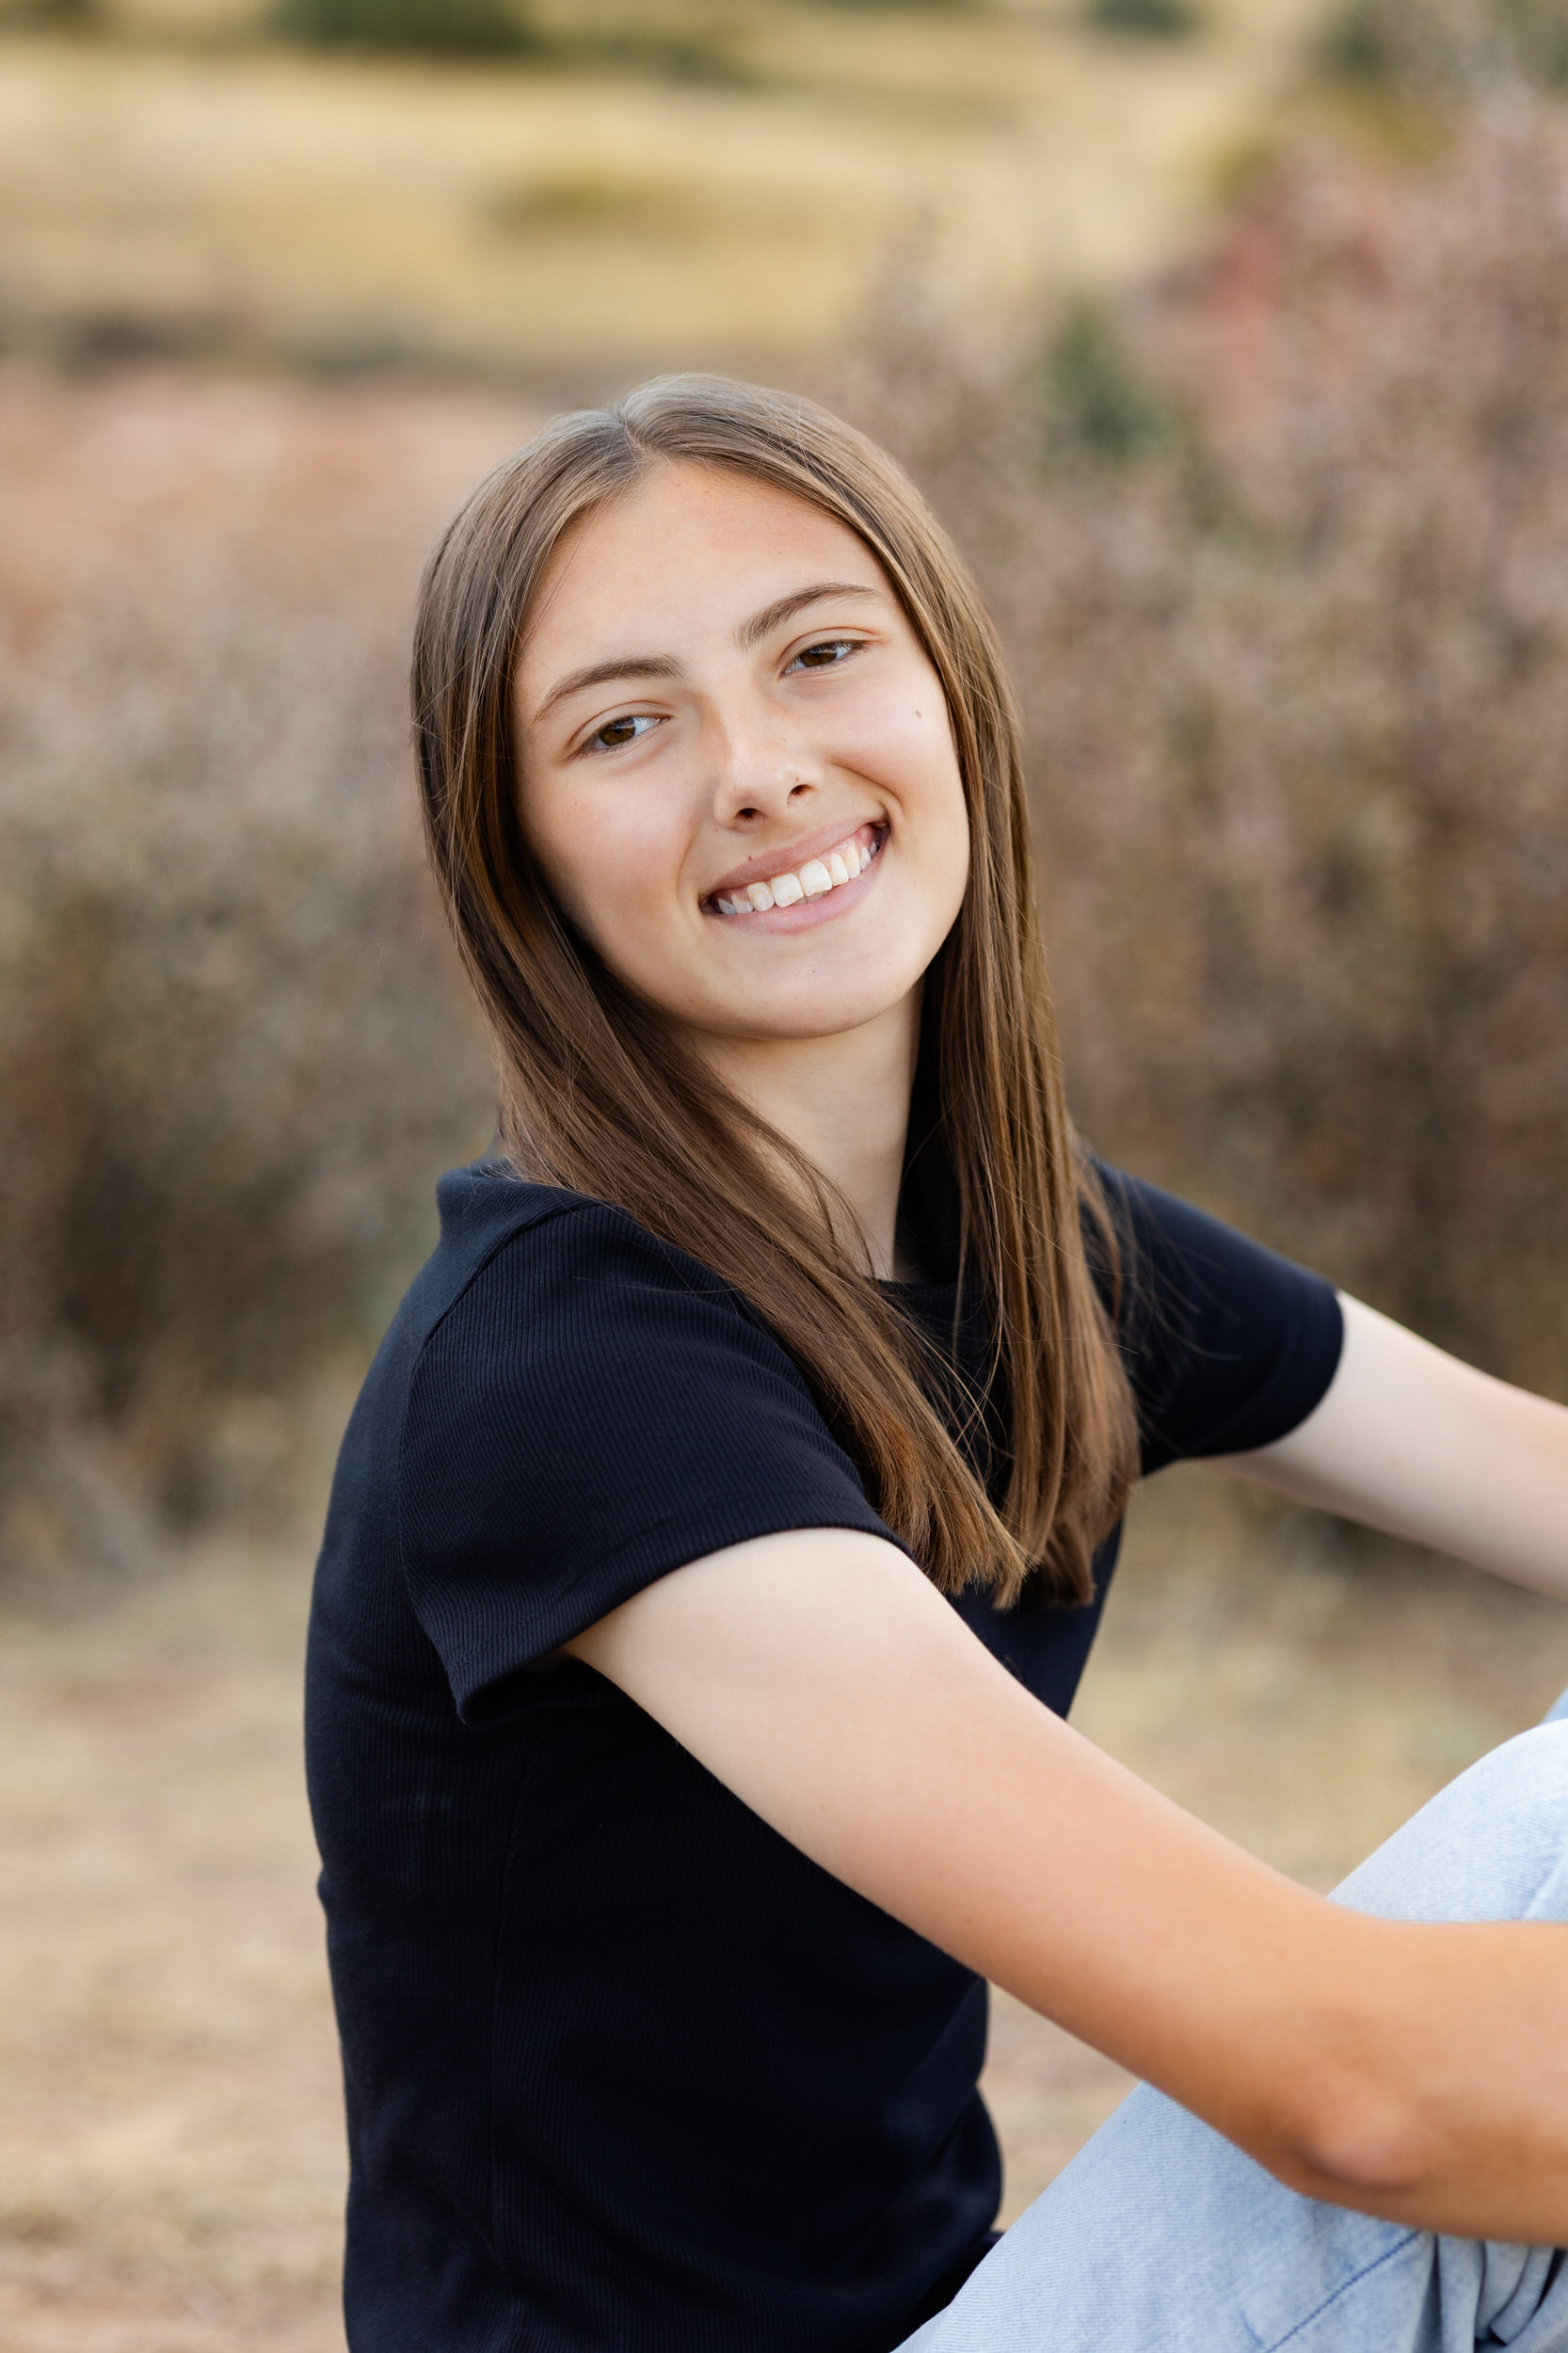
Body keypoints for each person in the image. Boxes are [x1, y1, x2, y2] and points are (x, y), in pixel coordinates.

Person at [304, 374, 1568, 2353]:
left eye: (818, 652)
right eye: (623, 725)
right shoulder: (563, 1376)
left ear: (950, 695)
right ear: (517, 848)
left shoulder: (1033, 1253)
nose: (757, 767)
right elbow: (1359, 2092)